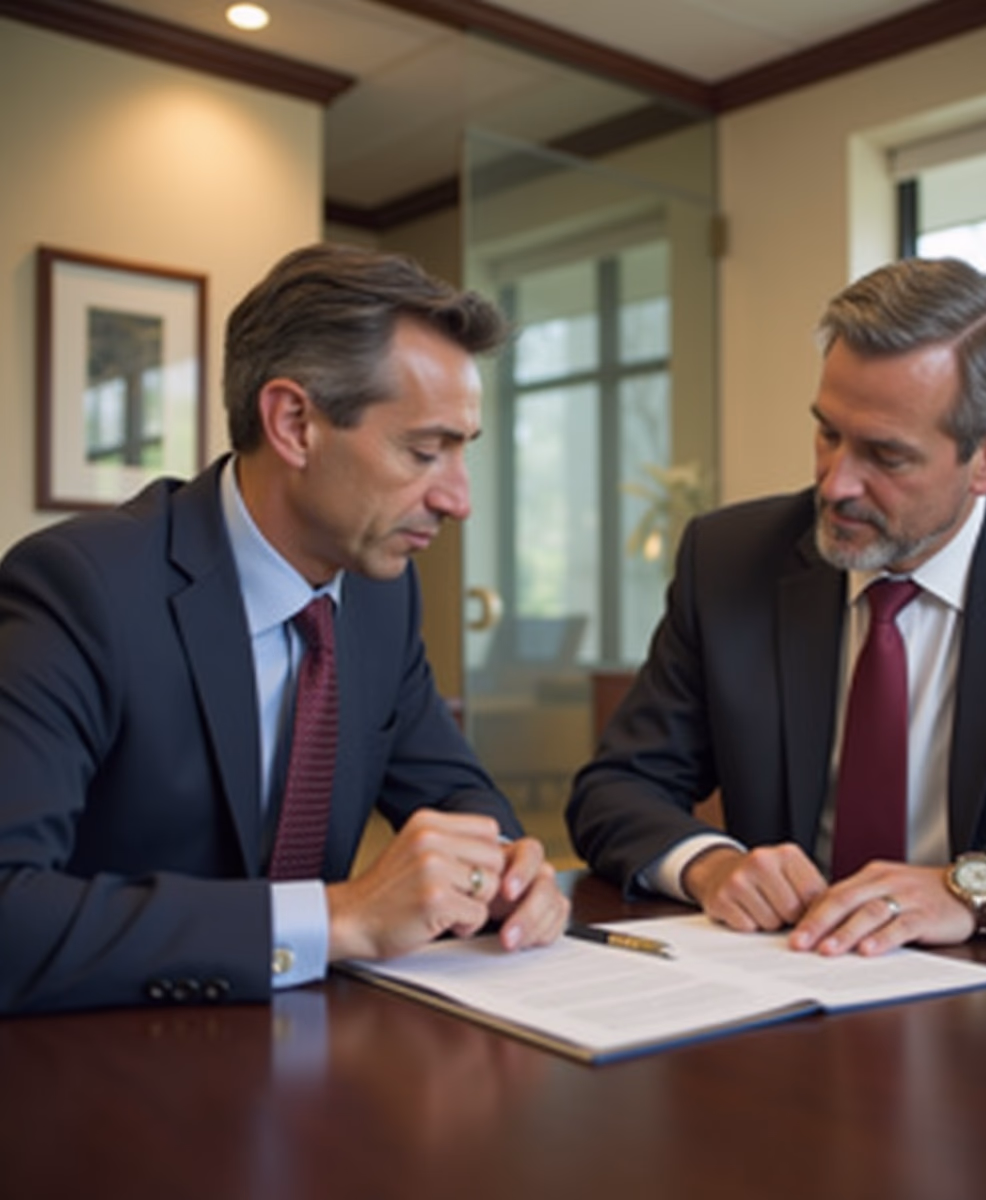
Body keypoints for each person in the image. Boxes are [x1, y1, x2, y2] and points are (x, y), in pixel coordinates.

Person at [567, 256, 986, 957]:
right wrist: (713, 867)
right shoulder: (729, 560)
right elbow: (616, 788)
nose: (836, 484)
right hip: (789, 972)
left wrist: (977, 892)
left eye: (885, 456)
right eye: (828, 433)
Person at [0, 244, 569, 1014]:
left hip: (311, 1061)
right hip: (111, 1065)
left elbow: (451, 788)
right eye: (425, 451)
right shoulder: (79, 590)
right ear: (295, 422)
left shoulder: (379, 597)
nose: (459, 499)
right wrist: (340, 918)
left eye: (462, 453)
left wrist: (508, 868)